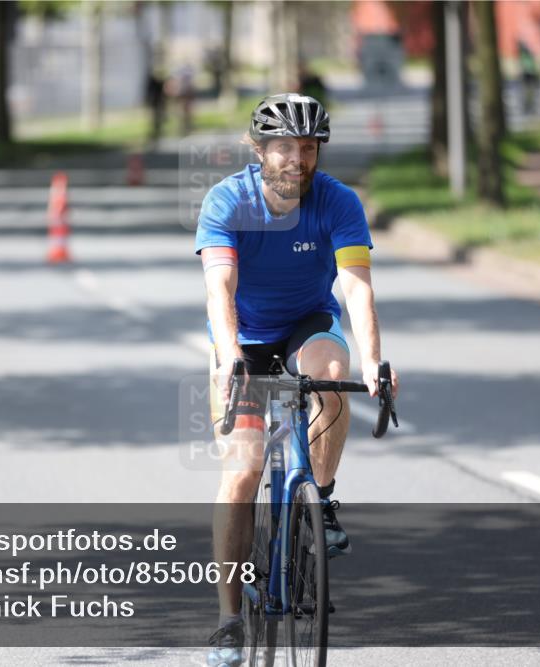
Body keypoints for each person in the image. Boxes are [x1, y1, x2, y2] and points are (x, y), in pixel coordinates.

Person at [196, 93, 398, 665]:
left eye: (308, 148)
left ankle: (323, 499)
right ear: (258, 150)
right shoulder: (227, 200)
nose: (298, 159)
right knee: (243, 471)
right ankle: (229, 619)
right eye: (285, 147)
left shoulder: (337, 201)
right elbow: (220, 288)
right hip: (246, 334)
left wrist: (377, 360)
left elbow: (355, 286)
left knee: (333, 374)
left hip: (306, 324)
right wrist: (231, 352)